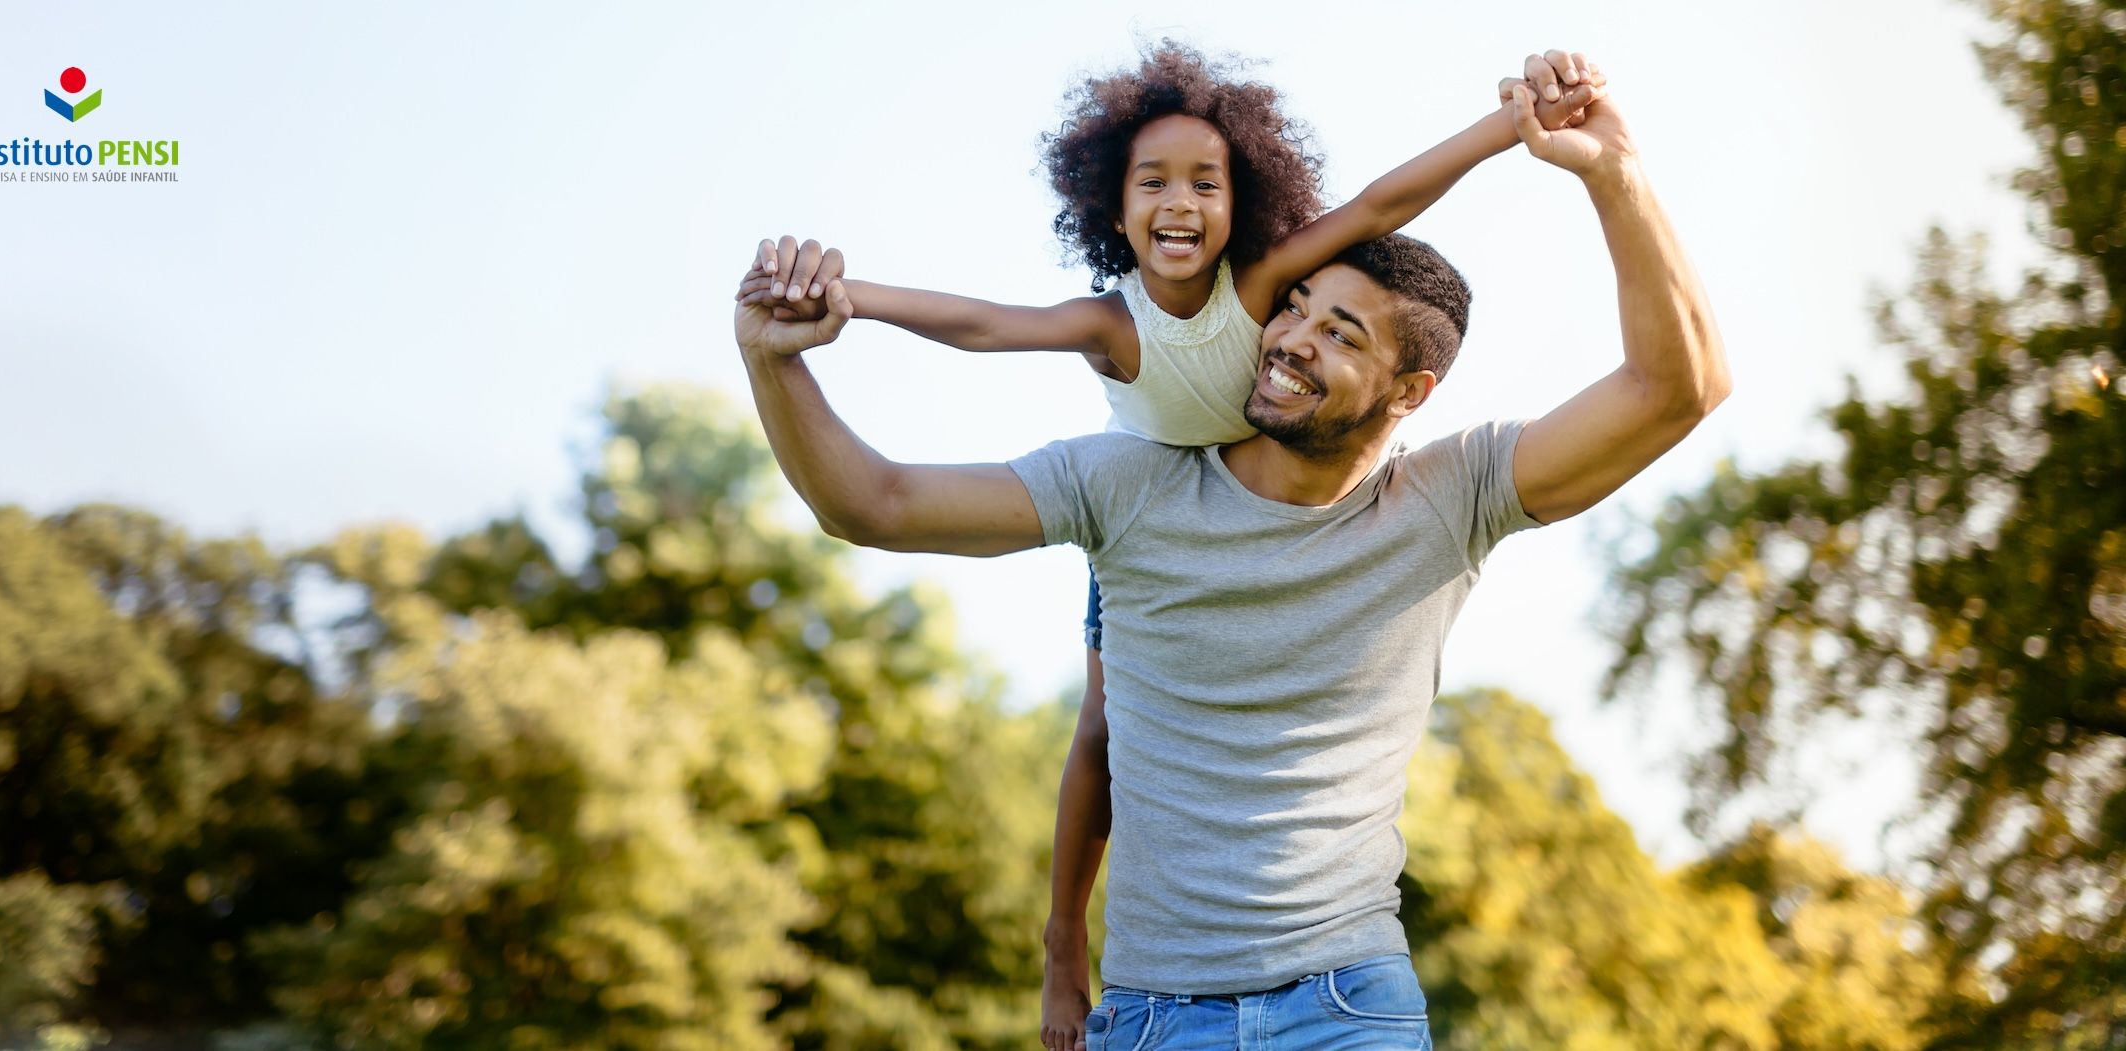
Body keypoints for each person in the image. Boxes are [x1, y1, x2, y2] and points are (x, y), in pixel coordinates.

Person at [735, 76, 1727, 1049]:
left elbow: (1674, 387)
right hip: (1152, 1014)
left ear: (1408, 391)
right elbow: (871, 503)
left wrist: (1615, 174)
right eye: (1295, 306)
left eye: (1336, 334)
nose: (1288, 337)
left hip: (1348, 1007)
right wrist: (774, 361)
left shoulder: (1448, 497)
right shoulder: (1128, 484)